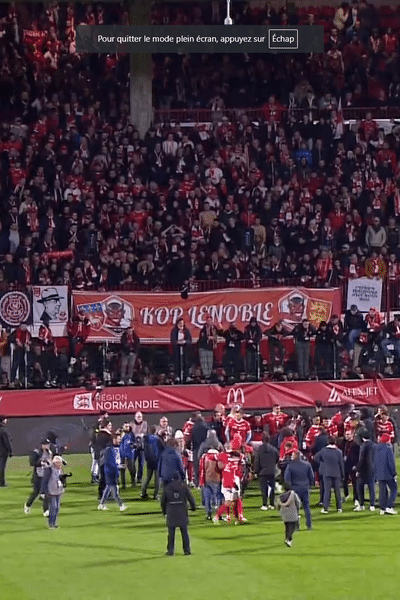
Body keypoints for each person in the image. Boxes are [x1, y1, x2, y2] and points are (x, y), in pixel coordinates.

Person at [214, 434, 247, 524]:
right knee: (229, 501)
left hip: (234, 479)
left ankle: (237, 517)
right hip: (228, 481)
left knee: (237, 499)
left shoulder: (237, 456)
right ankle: (218, 516)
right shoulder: (225, 455)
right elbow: (217, 462)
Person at [161, 472, 196, 556]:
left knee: (171, 533)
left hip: (171, 511)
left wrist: (164, 512)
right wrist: (193, 507)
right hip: (182, 511)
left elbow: (163, 502)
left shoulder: (167, 488)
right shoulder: (184, 486)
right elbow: (190, 498)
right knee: (184, 532)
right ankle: (187, 550)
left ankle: (170, 551)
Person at [284, 450, 314, 530]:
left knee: (295, 508)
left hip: (295, 489)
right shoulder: (307, 465)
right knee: (306, 507)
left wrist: (288, 488)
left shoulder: (290, 466)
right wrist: (310, 485)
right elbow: (311, 477)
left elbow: (287, 478)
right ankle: (309, 524)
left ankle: (296, 526)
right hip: (305, 488)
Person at [315, 436, 345, 514]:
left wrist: (322, 463)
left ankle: (325, 508)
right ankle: (339, 508)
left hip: (326, 472)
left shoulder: (323, 451)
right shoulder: (339, 452)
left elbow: (315, 458)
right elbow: (341, 464)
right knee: (337, 491)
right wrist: (343, 474)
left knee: (327, 491)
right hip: (337, 473)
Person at [98, 432, 127, 511]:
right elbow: (108, 462)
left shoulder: (116, 448)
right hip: (110, 472)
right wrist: (119, 466)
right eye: (118, 439)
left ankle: (101, 504)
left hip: (114, 472)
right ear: (114, 440)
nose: (119, 440)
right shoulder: (108, 450)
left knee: (108, 488)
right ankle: (121, 505)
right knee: (115, 490)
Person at [25, 439, 52, 515]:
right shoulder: (36, 452)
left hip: (46, 475)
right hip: (38, 475)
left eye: (48, 444)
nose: (47, 446)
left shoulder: (50, 452)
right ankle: (28, 505)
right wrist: (41, 462)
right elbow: (32, 462)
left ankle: (46, 510)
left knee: (47, 492)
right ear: (42, 445)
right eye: (46, 444)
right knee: (36, 492)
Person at [199, 435, 222, 519]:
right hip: (216, 479)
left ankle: (208, 514)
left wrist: (201, 481)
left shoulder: (204, 456)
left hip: (206, 479)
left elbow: (201, 469)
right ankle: (218, 514)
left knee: (207, 498)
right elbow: (220, 468)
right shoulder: (218, 456)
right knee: (218, 497)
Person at [254, 432, 279, 510]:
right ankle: (271, 504)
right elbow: (277, 459)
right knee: (272, 488)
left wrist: (255, 471)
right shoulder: (274, 449)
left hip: (262, 472)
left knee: (264, 488)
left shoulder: (259, 450)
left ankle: (264, 504)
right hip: (272, 471)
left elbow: (257, 461)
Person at [375, 433, 397, 515]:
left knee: (382, 491)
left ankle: (382, 508)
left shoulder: (377, 448)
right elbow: (391, 463)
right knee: (394, 489)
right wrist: (394, 473)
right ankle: (389, 506)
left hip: (379, 473)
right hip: (388, 473)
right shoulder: (388, 448)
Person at [40, 456, 65, 529]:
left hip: (58, 490)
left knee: (57, 508)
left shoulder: (60, 470)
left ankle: (54, 523)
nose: (59, 464)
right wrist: (43, 492)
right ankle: (51, 524)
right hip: (51, 491)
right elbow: (44, 481)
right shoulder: (49, 469)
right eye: (58, 463)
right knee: (53, 507)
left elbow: (60, 479)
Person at [354, 431, 376, 511]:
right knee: (371, 487)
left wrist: (358, 469)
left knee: (360, 487)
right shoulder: (374, 445)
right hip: (373, 469)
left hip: (364, 469)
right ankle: (372, 505)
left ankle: (361, 504)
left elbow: (362, 459)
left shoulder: (363, 446)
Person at [141, 426, 164, 499]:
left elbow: (143, 448)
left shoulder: (146, 438)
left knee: (148, 477)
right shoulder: (157, 439)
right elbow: (163, 448)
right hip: (157, 460)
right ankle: (156, 494)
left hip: (149, 460)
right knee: (157, 479)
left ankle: (143, 492)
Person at [197, 315, 221, 381]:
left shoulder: (214, 328)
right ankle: (206, 375)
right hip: (203, 347)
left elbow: (220, 333)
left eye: (211, 320)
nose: (210, 322)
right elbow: (201, 338)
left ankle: (209, 376)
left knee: (210, 362)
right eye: (208, 320)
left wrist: (219, 327)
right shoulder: (203, 329)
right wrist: (208, 337)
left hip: (210, 348)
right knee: (204, 362)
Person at [94, 419, 113, 501]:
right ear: (106, 426)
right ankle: (104, 494)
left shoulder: (99, 435)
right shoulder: (106, 436)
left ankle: (103, 493)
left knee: (104, 476)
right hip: (105, 457)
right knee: (105, 476)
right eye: (110, 425)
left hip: (101, 457)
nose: (111, 427)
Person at [278, 482, 301, 547]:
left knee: (287, 527)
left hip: (284, 513)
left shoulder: (281, 496)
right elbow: (298, 503)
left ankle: (287, 539)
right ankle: (288, 539)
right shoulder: (293, 495)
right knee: (292, 527)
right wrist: (297, 509)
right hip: (292, 512)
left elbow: (278, 505)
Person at [170, 318, 192, 383]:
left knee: (186, 361)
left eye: (182, 323)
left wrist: (185, 342)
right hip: (177, 349)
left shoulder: (186, 331)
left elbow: (189, 340)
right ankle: (177, 376)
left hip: (185, 349)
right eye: (180, 323)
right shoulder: (174, 331)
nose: (181, 325)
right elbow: (173, 340)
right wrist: (177, 342)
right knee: (177, 362)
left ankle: (186, 376)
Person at [191, 414, 209, 487]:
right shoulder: (206, 427)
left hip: (196, 448)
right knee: (204, 466)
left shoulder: (194, 427)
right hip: (204, 449)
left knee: (196, 467)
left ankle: (197, 483)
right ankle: (204, 482)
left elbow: (192, 438)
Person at [131, 411, 148, 484]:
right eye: (138, 417)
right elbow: (132, 433)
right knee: (132, 463)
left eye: (140, 417)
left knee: (141, 464)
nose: (139, 418)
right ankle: (133, 477)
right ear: (135, 417)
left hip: (142, 446)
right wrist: (138, 435)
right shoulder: (131, 424)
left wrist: (138, 435)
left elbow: (144, 433)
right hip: (133, 446)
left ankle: (139, 478)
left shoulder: (145, 423)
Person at [119, 424, 136, 489]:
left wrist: (133, 445)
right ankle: (123, 484)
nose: (126, 428)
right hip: (122, 454)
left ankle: (133, 482)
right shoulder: (120, 433)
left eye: (127, 426)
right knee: (122, 469)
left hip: (130, 454)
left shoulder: (131, 434)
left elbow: (135, 442)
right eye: (125, 426)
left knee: (132, 469)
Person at [0, 416, 12, 487]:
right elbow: (7, 441)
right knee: (1, 467)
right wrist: (10, 451)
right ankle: (1, 482)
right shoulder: (3, 430)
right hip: (2, 451)